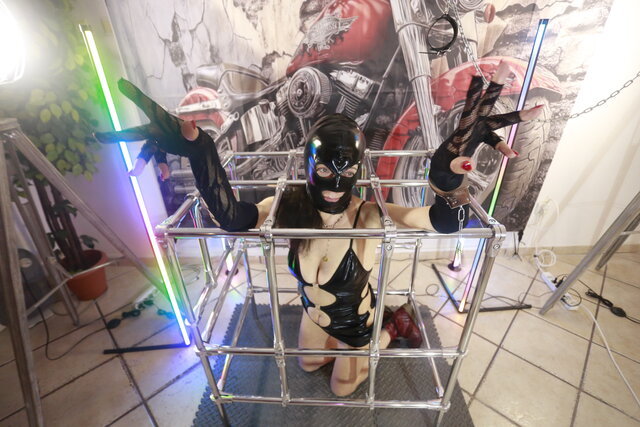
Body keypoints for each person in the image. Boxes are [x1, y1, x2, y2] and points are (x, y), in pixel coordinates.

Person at [95, 61, 542, 396]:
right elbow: (234, 219)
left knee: (342, 388)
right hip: (314, 314)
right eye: (324, 170)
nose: (334, 185)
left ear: (359, 170)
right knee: (308, 364)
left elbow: (443, 222)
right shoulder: (290, 206)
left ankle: (392, 327)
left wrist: (447, 179)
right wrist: (200, 153)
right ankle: (365, 332)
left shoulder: (368, 215)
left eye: (346, 172)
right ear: (308, 166)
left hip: (355, 322)